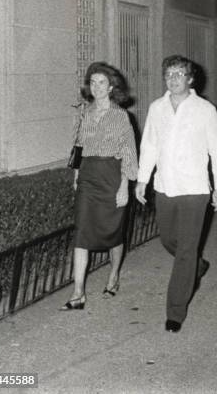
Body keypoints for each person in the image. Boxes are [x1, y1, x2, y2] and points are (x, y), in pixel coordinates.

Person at [135, 55, 217, 333]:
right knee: (169, 240)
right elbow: (149, 145)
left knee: (186, 249)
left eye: (179, 74)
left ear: (190, 79)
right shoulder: (157, 108)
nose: (173, 79)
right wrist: (142, 180)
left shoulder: (205, 110)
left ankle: (175, 311)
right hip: (165, 185)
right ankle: (197, 266)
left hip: (194, 188)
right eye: (169, 75)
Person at [61, 62, 138, 310]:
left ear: (112, 86)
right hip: (88, 177)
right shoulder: (84, 112)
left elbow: (128, 152)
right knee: (82, 233)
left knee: (113, 232)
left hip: (112, 177)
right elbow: (78, 145)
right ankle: (78, 293)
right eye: (93, 82)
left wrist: (124, 186)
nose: (97, 87)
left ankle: (114, 275)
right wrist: (75, 175)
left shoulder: (121, 116)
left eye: (102, 82)